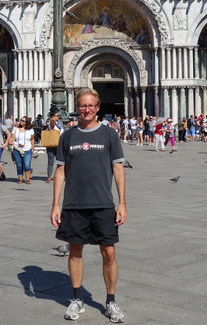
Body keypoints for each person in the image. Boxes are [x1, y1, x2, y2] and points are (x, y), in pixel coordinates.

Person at [50, 88, 127, 323]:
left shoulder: (109, 135)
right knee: (75, 251)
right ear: (77, 107)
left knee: (109, 252)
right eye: (82, 105)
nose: (86, 109)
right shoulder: (68, 136)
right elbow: (60, 170)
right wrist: (55, 204)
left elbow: (118, 169)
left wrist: (122, 203)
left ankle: (111, 301)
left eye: (91, 105)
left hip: (103, 203)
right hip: (74, 203)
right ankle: (77, 299)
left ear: (98, 107)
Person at [12, 116, 35, 184]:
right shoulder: (15, 129)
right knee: (19, 164)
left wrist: (33, 148)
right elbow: (12, 137)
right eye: (21, 120)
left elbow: (32, 139)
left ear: (26, 122)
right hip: (17, 149)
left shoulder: (30, 130)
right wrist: (11, 142)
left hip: (27, 149)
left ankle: (27, 179)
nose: (21, 121)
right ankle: (20, 179)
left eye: (23, 121)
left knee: (27, 164)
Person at [43, 111, 61, 183]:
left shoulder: (60, 124)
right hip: (51, 144)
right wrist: (52, 120)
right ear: (52, 117)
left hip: (59, 144)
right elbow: (51, 125)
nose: (58, 117)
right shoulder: (50, 123)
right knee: (50, 161)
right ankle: (49, 176)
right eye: (56, 116)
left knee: (60, 161)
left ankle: (60, 175)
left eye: (58, 116)